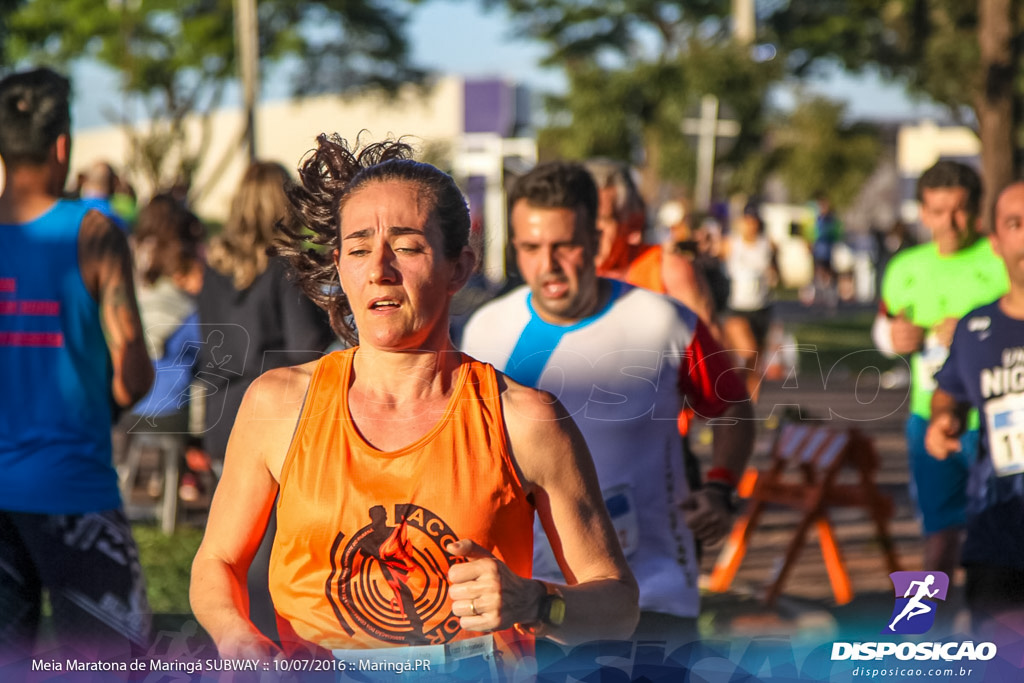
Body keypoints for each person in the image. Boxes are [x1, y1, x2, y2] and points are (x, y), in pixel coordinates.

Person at [189, 136, 639, 673]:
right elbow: (216, 561)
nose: (379, 268)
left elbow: (618, 606)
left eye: (406, 246)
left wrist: (537, 602)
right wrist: (234, 634)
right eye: (358, 249)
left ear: (459, 267)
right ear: (339, 266)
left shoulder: (525, 419)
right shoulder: (279, 403)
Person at [461, 161, 755, 646]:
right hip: (531, 595)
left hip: (653, 594)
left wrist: (721, 488)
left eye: (565, 245)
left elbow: (732, 407)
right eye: (531, 248)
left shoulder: (662, 321)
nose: (548, 265)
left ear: (596, 241)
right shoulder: (487, 330)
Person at [0, 68, 154, 656]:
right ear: (62, 146)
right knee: (109, 665)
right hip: (73, 490)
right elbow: (133, 373)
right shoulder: (94, 234)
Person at [197, 160, 337, 644]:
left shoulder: (212, 268)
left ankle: (241, 638)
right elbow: (303, 350)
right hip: (274, 419)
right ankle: (266, 645)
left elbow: (207, 346)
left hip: (221, 413)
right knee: (272, 549)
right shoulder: (286, 269)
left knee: (229, 546)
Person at [873, 160, 1008, 585]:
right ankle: (926, 641)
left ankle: (999, 640)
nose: (948, 223)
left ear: (977, 209)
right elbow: (884, 326)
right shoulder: (905, 268)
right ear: (922, 211)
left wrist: (974, 332)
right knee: (938, 539)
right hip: (930, 420)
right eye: (936, 211)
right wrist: (891, 337)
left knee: (1003, 545)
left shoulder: (1003, 257)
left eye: (959, 210)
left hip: (999, 421)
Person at [926, 180, 1024, 638]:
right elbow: (951, 390)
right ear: (996, 242)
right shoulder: (977, 327)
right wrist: (944, 418)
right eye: (1016, 224)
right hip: (998, 535)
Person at [122, 195, 205, 499]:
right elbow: (203, 367)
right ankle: (185, 476)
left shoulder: (134, 298)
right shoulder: (190, 311)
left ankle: (162, 476)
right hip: (175, 411)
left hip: (132, 406)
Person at [720, 204, 777, 400]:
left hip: (761, 307)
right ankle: (733, 393)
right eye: (747, 220)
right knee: (748, 351)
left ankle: (749, 408)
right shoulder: (731, 244)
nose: (750, 225)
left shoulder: (767, 245)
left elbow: (776, 272)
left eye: (754, 221)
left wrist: (773, 275)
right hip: (737, 308)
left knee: (756, 362)